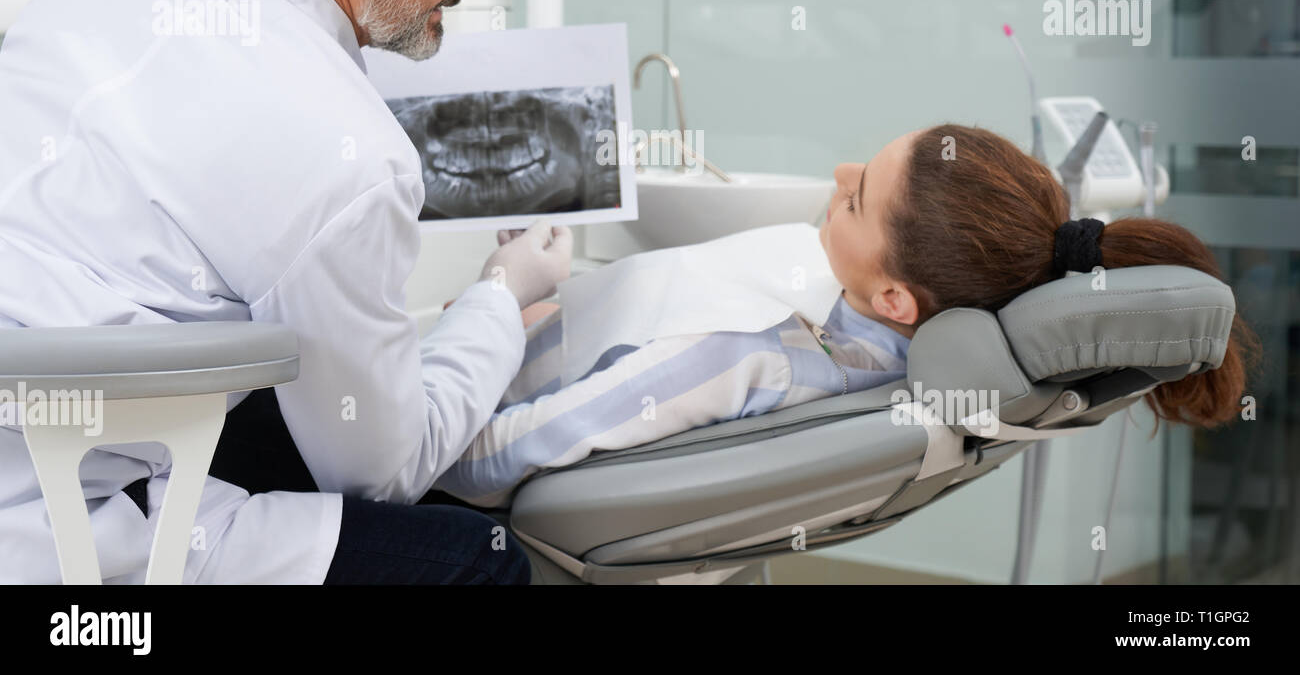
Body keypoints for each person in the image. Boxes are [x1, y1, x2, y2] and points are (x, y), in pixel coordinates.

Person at [0, 0, 563, 584]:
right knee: (478, 557)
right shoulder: (351, 159)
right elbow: (383, 473)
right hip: (65, 525)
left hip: (44, 418)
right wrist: (499, 303)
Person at [433, 124, 1260, 507]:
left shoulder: (760, 339)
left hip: (439, 433)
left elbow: (490, 459)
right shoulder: (876, 343)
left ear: (897, 300)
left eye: (857, 196)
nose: (838, 170)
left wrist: (495, 303)